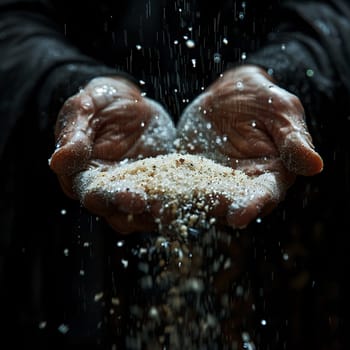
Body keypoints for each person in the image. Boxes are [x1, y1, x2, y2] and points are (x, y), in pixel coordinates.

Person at [0, 0, 348, 349]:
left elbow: (336, 15)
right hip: (78, 211)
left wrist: (280, 74)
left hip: (281, 211)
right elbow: (12, 20)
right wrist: (71, 85)